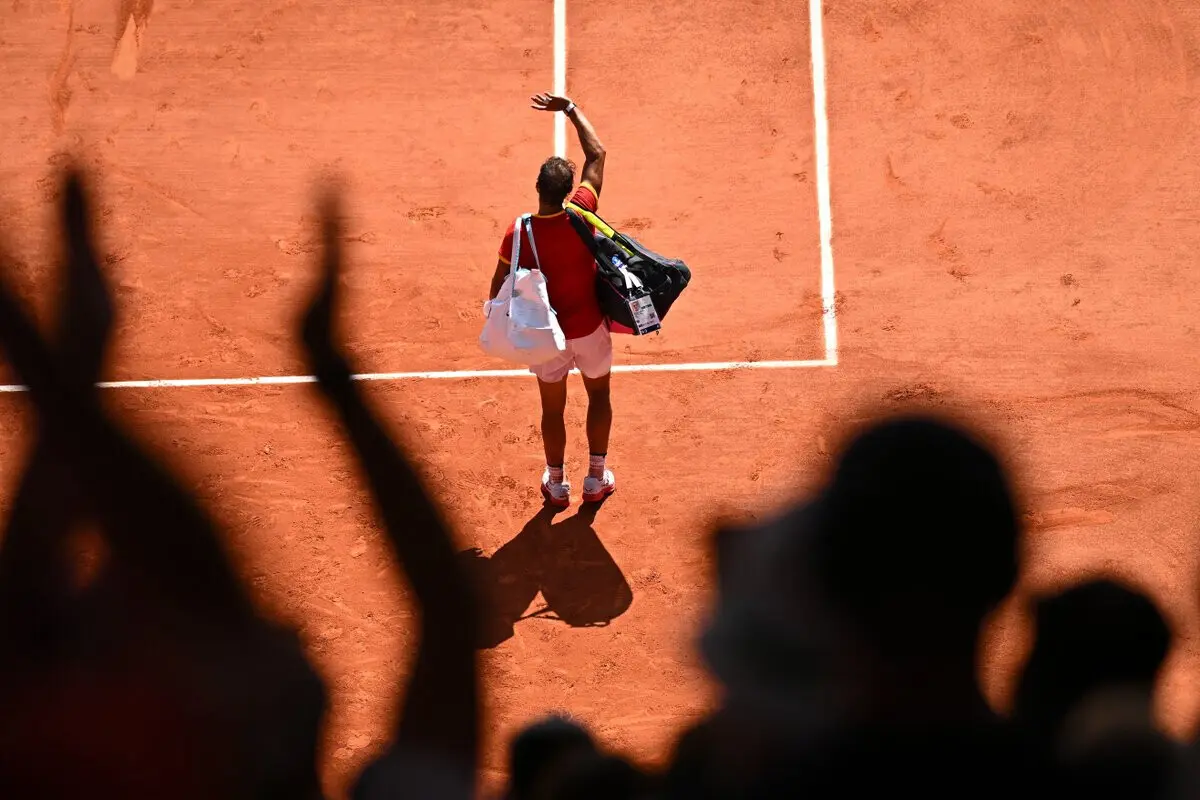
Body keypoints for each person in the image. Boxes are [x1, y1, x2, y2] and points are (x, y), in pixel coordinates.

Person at [489, 92, 615, 508]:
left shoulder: (518, 232)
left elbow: (498, 286)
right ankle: (595, 479)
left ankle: (557, 484)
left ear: (538, 188)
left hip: (548, 337)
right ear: (567, 191)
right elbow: (596, 155)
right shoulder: (582, 213)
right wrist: (571, 109)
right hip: (590, 328)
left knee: (552, 410)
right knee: (599, 398)